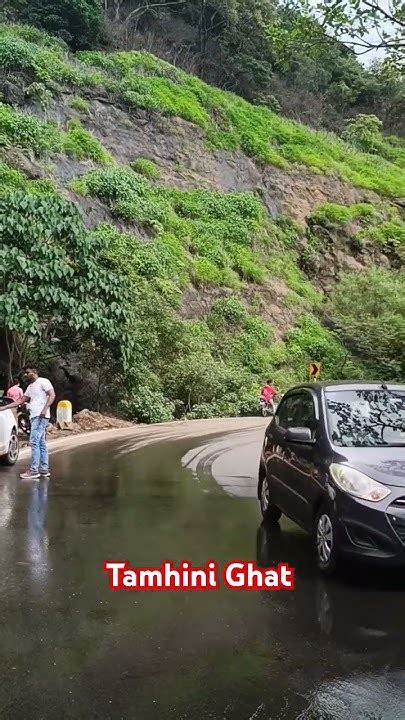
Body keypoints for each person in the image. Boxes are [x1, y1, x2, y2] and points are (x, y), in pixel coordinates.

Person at [0, 366, 55, 480]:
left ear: (34, 372)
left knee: (34, 442)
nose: (25, 375)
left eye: (27, 373)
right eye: (25, 373)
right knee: (41, 442)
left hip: (40, 416)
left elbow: (52, 395)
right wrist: (5, 407)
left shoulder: (43, 381)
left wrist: (45, 409)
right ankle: (44, 469)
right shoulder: (30, 387)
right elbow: (21, 400)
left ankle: (34, 470)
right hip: (35, 416)